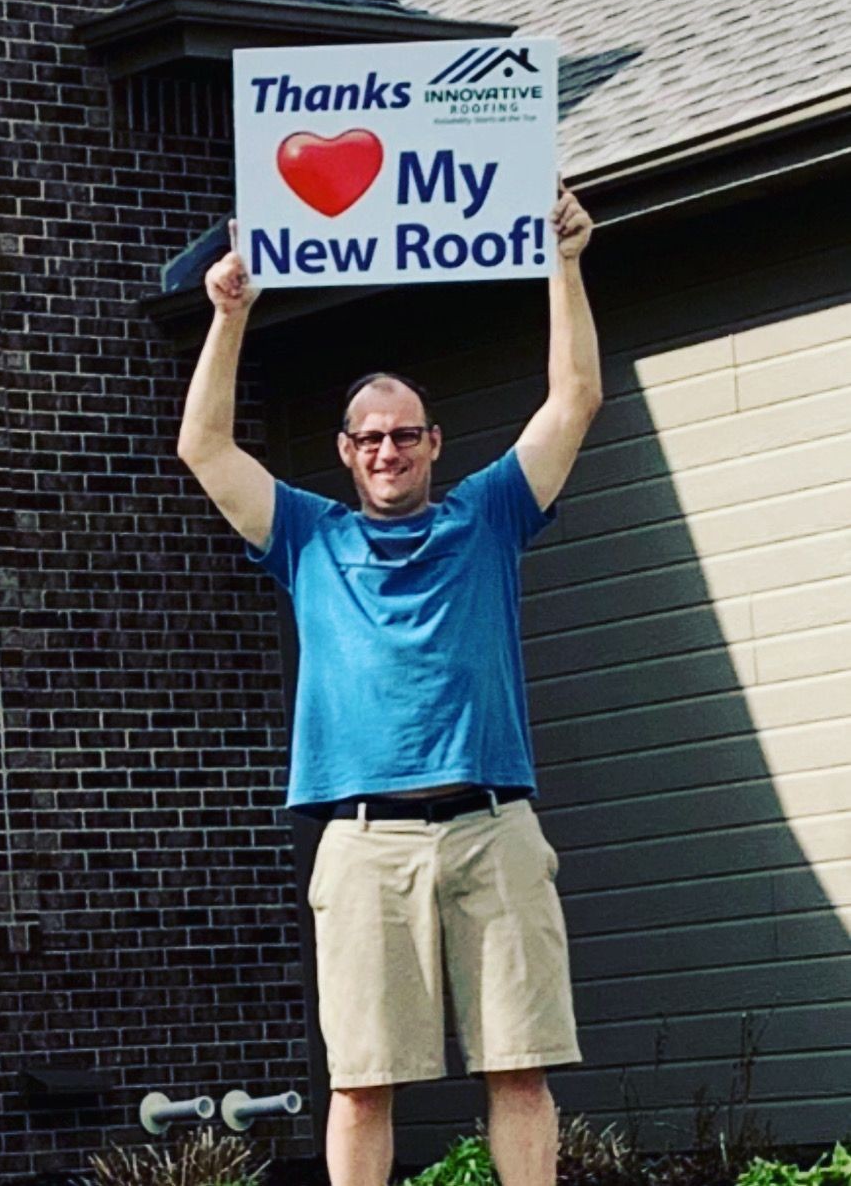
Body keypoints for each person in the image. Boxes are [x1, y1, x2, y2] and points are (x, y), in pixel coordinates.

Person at [177, 185, 600, 1186]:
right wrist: (228, 314)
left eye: (404, 433)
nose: (387, 449)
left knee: (520, 1066)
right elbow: (203, 446)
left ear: (432, 443)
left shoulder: (488, 514)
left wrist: (567, 262)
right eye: (368, 435)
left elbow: (573, 398)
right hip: (364, 841)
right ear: (344, 450)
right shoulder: (308, 536)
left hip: (493, 826)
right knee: (362, 1080)